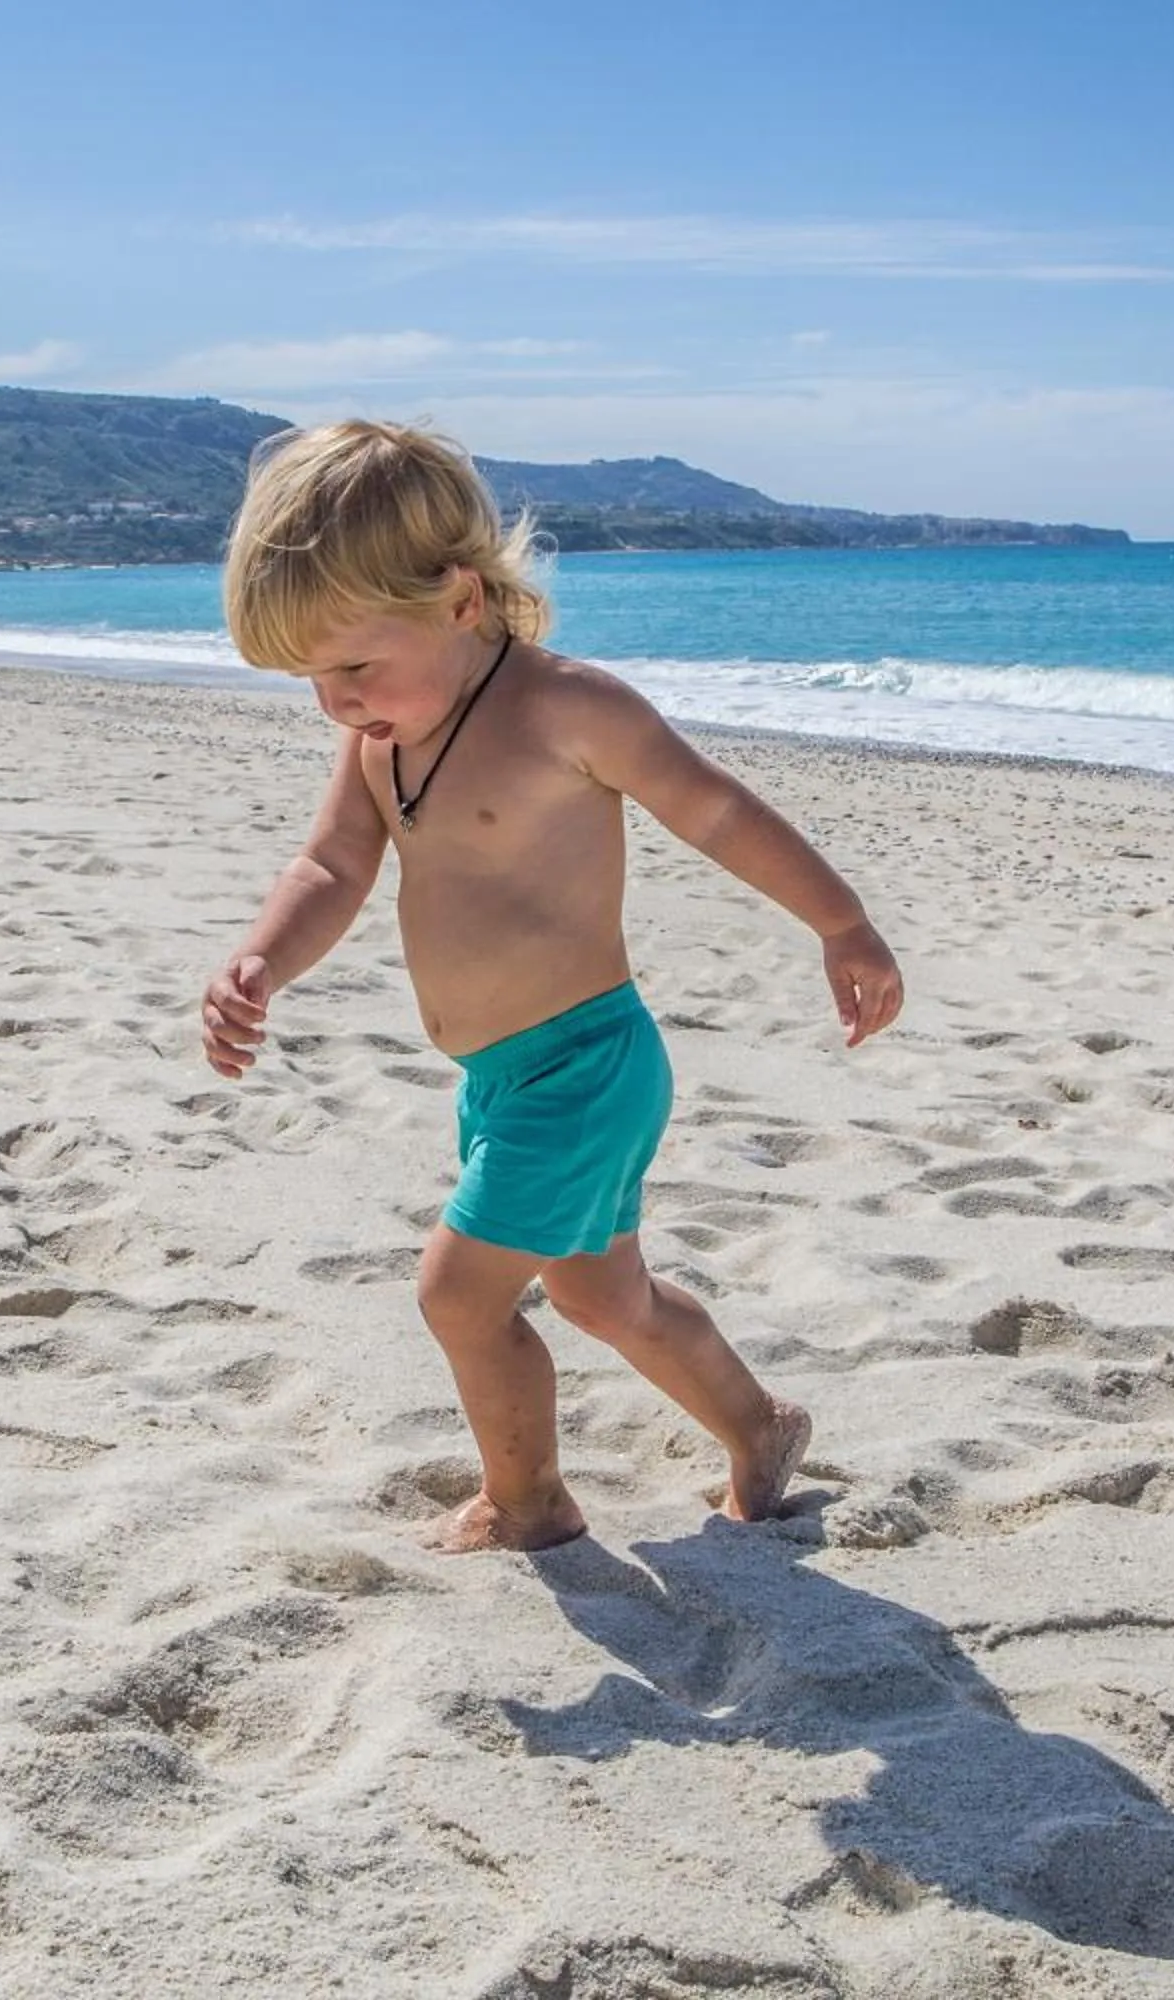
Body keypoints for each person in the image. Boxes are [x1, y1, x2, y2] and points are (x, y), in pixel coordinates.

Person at [202, 421, 905, 1554]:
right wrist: (263, 958)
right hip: (498, 1074)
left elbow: (715, 810)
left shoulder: (568, 710)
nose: (337, 703)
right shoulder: (384, 736)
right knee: (601, 1296)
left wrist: (842, 922)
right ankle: (760, 1425)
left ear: (461, 599)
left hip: (586, 1065)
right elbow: (331, 865)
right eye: (312, 680)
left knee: (459, 1296)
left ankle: (530, 1503)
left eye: (353, 665)